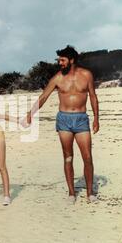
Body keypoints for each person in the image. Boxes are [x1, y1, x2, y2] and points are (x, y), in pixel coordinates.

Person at [22, 45, 99, 204]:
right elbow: (43, 97)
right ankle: (71, 193)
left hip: (81, 118)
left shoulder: (86, 75)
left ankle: (90, 193)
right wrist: (30, 114)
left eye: (63, 60)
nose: (60, 63)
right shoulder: (57, 78)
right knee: (68, 157)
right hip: (64, 120)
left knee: (87, 157)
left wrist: (97, 118)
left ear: (72, 60)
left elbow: (92, 96)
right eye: (59, 60)